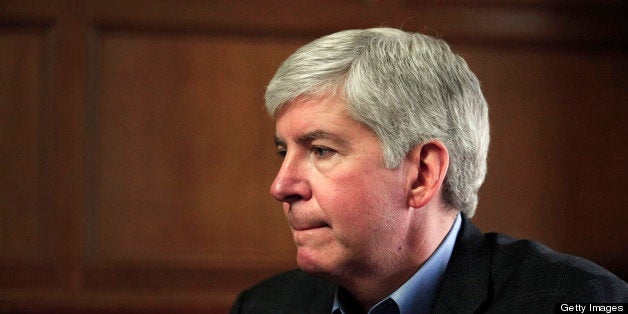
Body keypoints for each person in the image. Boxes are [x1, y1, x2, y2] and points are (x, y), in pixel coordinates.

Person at [230, 28, 627, 313]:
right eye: (284, 151)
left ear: (422, 174)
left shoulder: (580, 301)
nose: (281, 186)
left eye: (321, 150)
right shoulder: (264, 305)